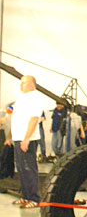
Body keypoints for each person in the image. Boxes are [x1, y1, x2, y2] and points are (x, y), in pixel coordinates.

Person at [4, 75, 44, 209]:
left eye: (24, 83)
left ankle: (34, 198)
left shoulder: (35, 98)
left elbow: (34, 119)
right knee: (21, 168)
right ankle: (25, 196)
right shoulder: (20, 98)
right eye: (21, 83)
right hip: (17, 138)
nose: (21, 85)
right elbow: (15, 119)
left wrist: (26, 139)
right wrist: (10, 137)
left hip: (28, 139)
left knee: (29, 168)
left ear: (32, 84)